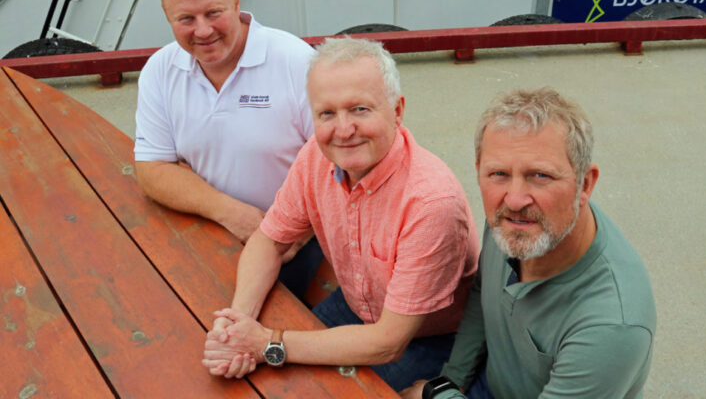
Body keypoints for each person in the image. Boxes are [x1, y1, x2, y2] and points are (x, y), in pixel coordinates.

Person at [201, 37, 481, 391]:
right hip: (355, 305)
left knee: (297, 390)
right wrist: (237, 324)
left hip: (424, 336)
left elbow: (389, 342)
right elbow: (269, 241)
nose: (344, 130)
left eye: (360, 109)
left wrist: (267, 344)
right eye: (327, 114)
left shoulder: (430, 203)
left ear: (397, 110)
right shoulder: (316, 157)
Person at [402, 87, 656, 399]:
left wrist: (436, 394)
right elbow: (482, 293)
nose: (515, 199)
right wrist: (452, 379)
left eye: (540, 176)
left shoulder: (613, 325)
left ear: (585, 184)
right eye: (499, 173)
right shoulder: (512, 223)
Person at [133, 0, 321, 297]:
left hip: (297, 240)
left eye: (213, 13)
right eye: (186, 18)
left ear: (236, 1)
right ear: (166, 15)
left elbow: (339, 161)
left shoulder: (296, 62)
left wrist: (292, 229)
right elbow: (153, 167)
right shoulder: (160, 70)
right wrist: (231, 214)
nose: (203, 31)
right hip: (212, 229)